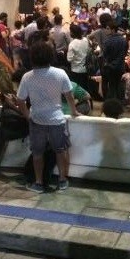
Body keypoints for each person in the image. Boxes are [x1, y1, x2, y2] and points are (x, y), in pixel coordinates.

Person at [15, 41, 80, 193]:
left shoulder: (27, 77)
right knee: (61, 151)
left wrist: (28, 116)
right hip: (57, 119)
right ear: (50, 56)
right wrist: (74, 111)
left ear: (32, 57)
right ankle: (62, 180)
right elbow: (69, 96)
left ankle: (38, 183)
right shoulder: (60, 73)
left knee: (37, 153)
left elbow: (20, 100)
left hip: (37, 119)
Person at [101, 20, 127, 100]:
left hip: (110, 66)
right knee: (120, 84)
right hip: (120, 66)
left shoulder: (107, 41)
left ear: (113, 30)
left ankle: (113, 103)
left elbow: (105, 54)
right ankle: (120, 102)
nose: (106, 30)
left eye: (108, 28)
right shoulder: (123, 40)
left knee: (112, 86)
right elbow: (125, 53)